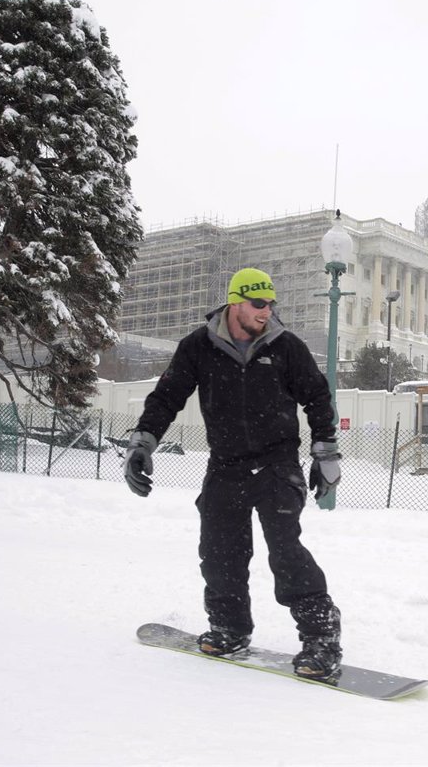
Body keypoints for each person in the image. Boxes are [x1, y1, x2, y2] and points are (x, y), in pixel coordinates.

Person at [122, 267, 344, 677]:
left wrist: (325, 451)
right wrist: (143, 442)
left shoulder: (285, 347)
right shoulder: (198, 347)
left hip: (277, 464)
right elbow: (167, 396)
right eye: (259, 303)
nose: (266, 311)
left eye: (271, 304)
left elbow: (317, 396)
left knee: (286, 551)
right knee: (220, 551)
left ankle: (321, 638)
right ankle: (229, 627)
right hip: (225, 464)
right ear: (235, 302)